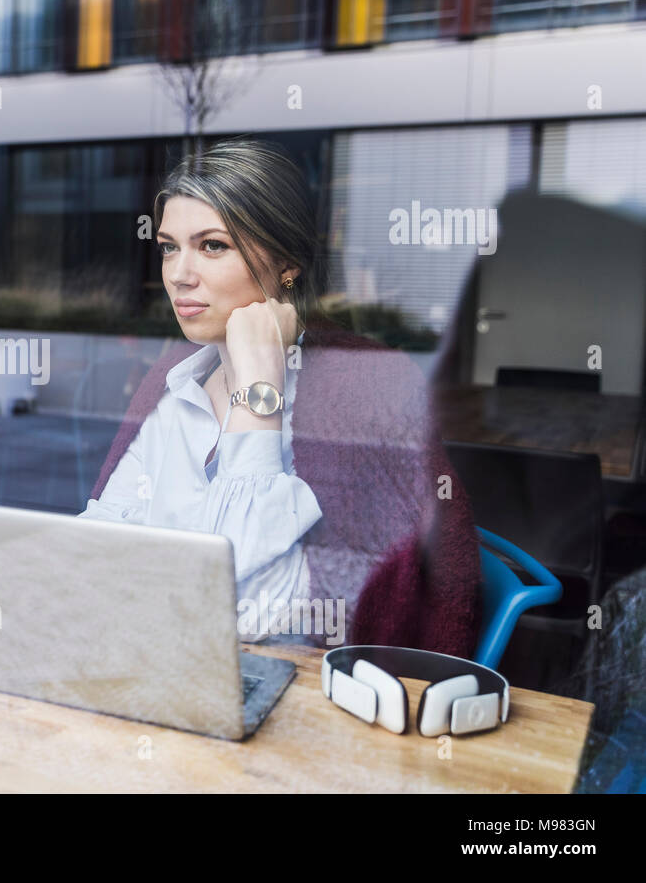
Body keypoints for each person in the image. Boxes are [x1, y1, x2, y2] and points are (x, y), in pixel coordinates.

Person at [80, 138, 482, 657]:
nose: (178, 273)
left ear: (286, 263)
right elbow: (97, 548)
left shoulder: (360, 389)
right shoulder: (175, 381)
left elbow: (246, 615)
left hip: (296, 698)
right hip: (158, 660)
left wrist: (257, 392)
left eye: (212, 246)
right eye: (168, 246)